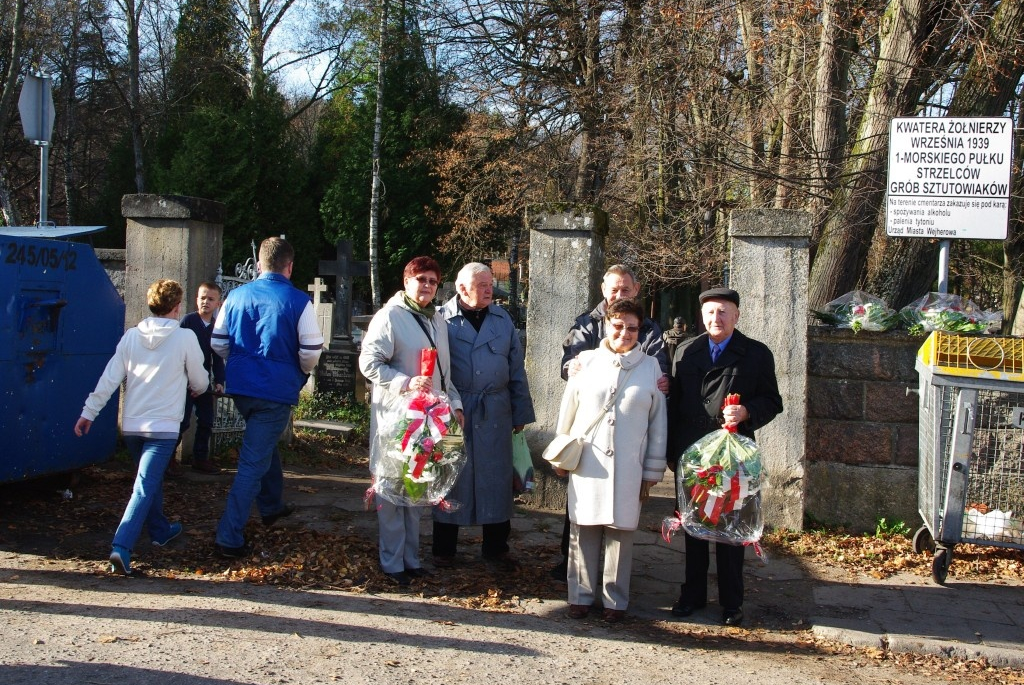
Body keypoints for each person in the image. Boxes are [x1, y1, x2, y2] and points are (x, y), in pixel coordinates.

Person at [74, 279, 209, 575]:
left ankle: (160, 530)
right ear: (176, 307)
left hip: (133, 425)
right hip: (163, 427)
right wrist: (198, 386)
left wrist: (88, 412)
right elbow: (200, 381)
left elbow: (110, 378)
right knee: (145, 485)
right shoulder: (186, 338)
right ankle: (121, 546)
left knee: (149, 480)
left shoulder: (131, 337)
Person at [667, 287, 783, 627]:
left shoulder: (756, 354)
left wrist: (747, 411)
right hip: (693, 455)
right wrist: (671, 453)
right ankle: (693, 594)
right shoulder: (686, 351)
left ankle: (732, 602)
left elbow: (773, 401)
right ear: (701, 317)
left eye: (723, 312)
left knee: (731, 528)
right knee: (694, 527)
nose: (715, 318)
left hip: (732, 456)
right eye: (710, 313)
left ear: (736, 316)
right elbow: (673, 405)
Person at [551, 264, 669, 581]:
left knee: (623, 515)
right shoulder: (586, 323)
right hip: (592, 429)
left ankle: (615, 582)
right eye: (613, 289)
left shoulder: (650, 329)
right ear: (604, 290)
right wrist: (575, 367)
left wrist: (662, 382)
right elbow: (570, 362)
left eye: (625, 289)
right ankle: (571, 565)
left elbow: (659, 370)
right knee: (580, 508)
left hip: (628, 431)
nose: (619, 294)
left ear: (636, 290)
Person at [211, 237, 324, 558]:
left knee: (262, 444)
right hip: (276, 390)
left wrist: (237, 364)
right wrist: (298, 373)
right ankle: (228, 537)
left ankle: (272, 504)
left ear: (259, 265)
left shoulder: (235, 296)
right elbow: (311, 352)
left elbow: (218, 342)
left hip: (242, 388)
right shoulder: (298, 301)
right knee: (251, 462)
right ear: (290, 267)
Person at [359, 256, 464, 586]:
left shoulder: (438, 322)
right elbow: (369, 362)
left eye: (433, 281)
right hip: (397, 419)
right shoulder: (390, 316)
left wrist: (455, 405)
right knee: (391, 491)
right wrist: (405, 382)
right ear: (407, 282)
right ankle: (392, 564)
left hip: (429, 421)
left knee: (418, 486)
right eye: (421, 279)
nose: (428, 286)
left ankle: (411, 559)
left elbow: (444, 374)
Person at [432, 263, 535, 569]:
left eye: (491, 284)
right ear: (462, 288)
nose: (491, 290)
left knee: (496, 477)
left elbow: (516, 368)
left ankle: (496, 547)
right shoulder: (440, 320)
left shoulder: (503, 320)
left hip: (496, 410)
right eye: (483, 285)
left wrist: (521, 412)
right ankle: (443, 548)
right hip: (455, 410)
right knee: (451, 476)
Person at [175, 282, 226, 475]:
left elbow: (218, 358)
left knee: (206, 420)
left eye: (210, 299)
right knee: (182, 421)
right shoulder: (188, 321)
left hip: (204, 382)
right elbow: (178, 349)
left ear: (218, 304)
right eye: (202, 298)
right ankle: (169, 458)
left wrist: (219, 382)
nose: (205, 302)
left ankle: (200, 458)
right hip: (184, 382)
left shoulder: (216, 328)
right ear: (196, 299)